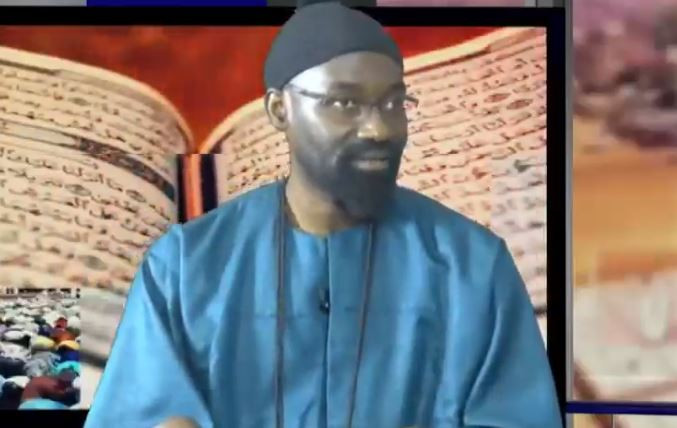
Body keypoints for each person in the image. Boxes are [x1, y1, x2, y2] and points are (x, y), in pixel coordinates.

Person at [85, 1, 562, 427]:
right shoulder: (183, 266)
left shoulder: (474, 265)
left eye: (393, 103)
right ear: (280, 110)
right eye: (344, 103)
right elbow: (137, 410)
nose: (378, 129)